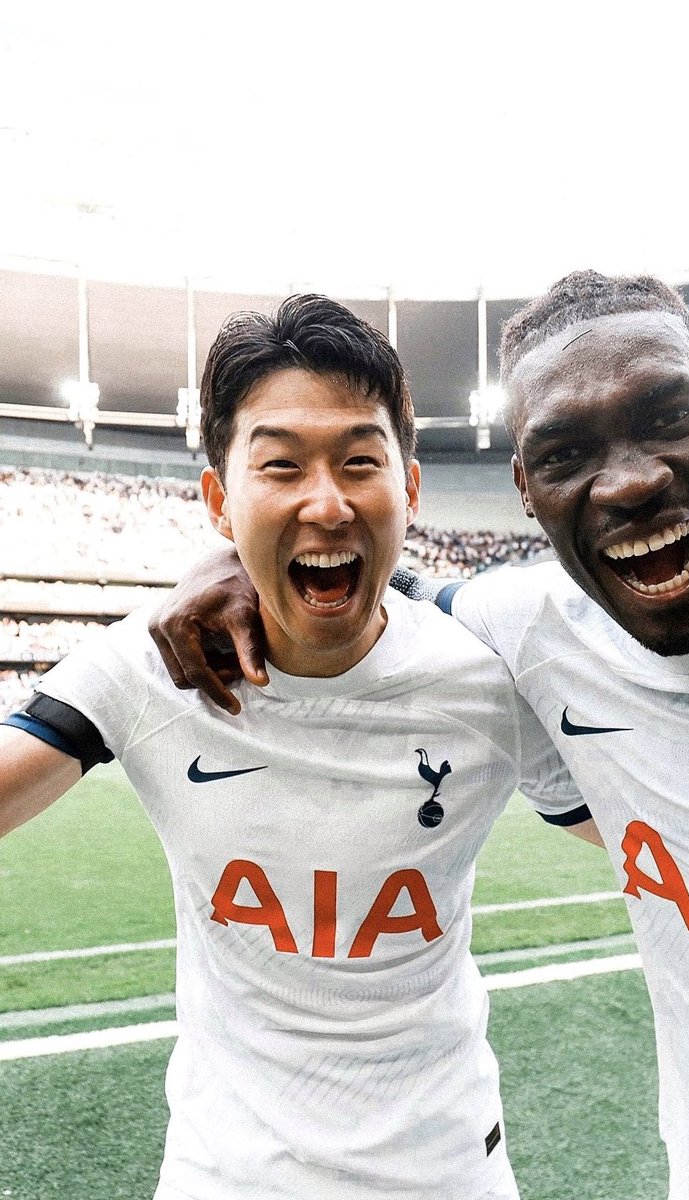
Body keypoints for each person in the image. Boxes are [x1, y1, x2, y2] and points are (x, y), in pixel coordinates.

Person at [152, 270, 689, 1200]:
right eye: (566, 451)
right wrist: (221, 559)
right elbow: (353, 578)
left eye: (668, 417)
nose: (628, 481)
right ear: (526, 489)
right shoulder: (522, 628)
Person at [0, 294, 589, 1200]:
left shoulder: (488, 679)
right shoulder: (151, 664)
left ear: (411, 488)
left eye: (360, 461)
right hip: (225, 1175)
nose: (326, 502)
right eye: (278, 466)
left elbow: (650, 827)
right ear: (218, 502)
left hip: (444, 1173)